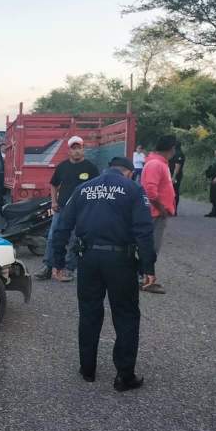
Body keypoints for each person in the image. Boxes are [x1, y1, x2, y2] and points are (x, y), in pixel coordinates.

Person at [51, 156, 155, 392]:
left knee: (89, 313)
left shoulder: (83, 189)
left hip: (88, 259)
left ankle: (87, 369)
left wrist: (58, 261)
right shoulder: (133, 188)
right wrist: (148, 266)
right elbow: (144, 230)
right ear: (128, 172)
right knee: (126, 315)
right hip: (120, 260)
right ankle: (124, 376)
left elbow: (63, 226)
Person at [34, 135, 100, 283]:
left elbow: (97, 189)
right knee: (53, 238)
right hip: (62, 209)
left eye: (79, 148)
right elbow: (53, 184)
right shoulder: (62, 167)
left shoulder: (91, 168)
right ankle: (48, 267)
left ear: (83, 149)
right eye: (73, 148)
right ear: (69, 151)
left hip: (82, 211)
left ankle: (69, 269)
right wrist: (54, 202)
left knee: (74, 239)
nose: (76, 151)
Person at [140, 134, 176, 294]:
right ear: (171, 149)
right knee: (151, 247)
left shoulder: (159, 163)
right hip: (155, 213)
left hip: (156, 212)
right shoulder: (156, 164)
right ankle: (146, 279)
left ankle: (145, 277)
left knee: (151, 247)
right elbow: (151, 192)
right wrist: (162, 209)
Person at [168, 141, 185, 215]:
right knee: (170, 192)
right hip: (170, 175)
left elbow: (177, 166)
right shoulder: (174, 153)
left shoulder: (179, 154)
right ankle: (170, 209)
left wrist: (174, 177)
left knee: (175, 192)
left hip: (175, 176)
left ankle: (174, 210)